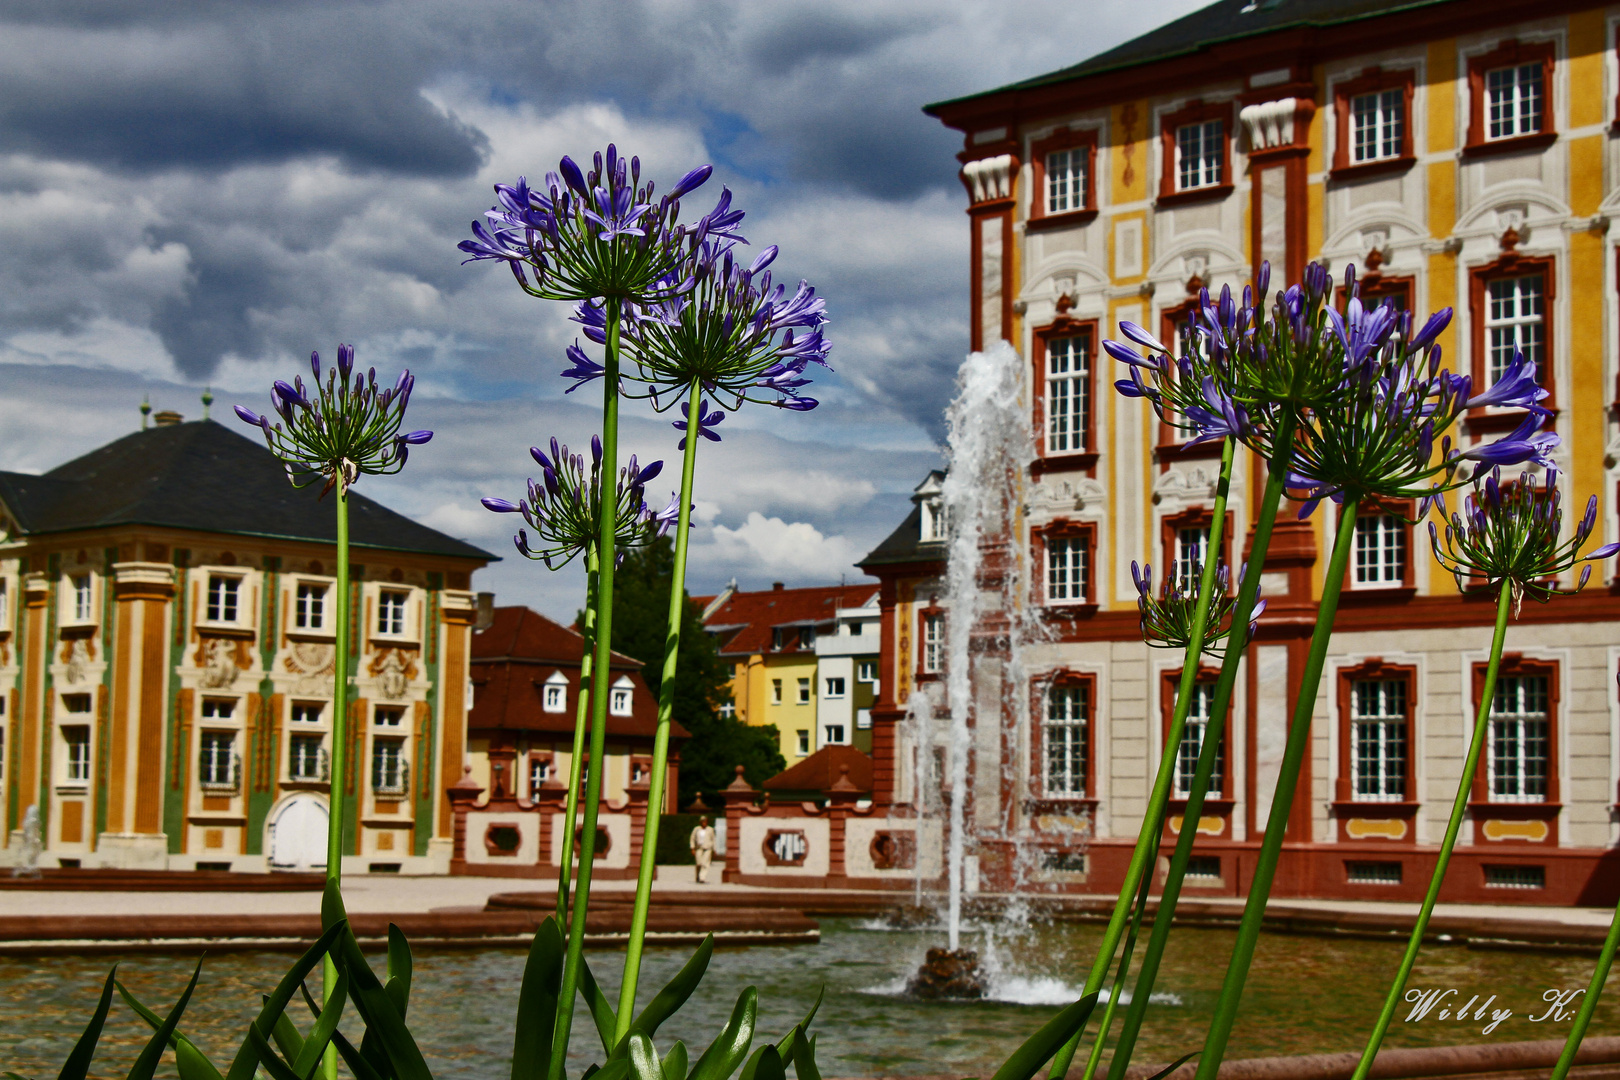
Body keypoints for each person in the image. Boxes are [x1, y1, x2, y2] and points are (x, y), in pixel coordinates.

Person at [688, 815, 716, 884]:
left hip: (708, 848)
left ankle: (702, 878)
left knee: (705, 863)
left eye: (705, 821)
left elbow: (713, 840)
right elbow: (692, 838)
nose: (704, 823)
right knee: (699, 863)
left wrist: (714, 849)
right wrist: (692, 848)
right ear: (700, 822)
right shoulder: (696, 829)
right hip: (699, 848)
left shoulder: (710, 829)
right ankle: (698, 875)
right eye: (703, 821)